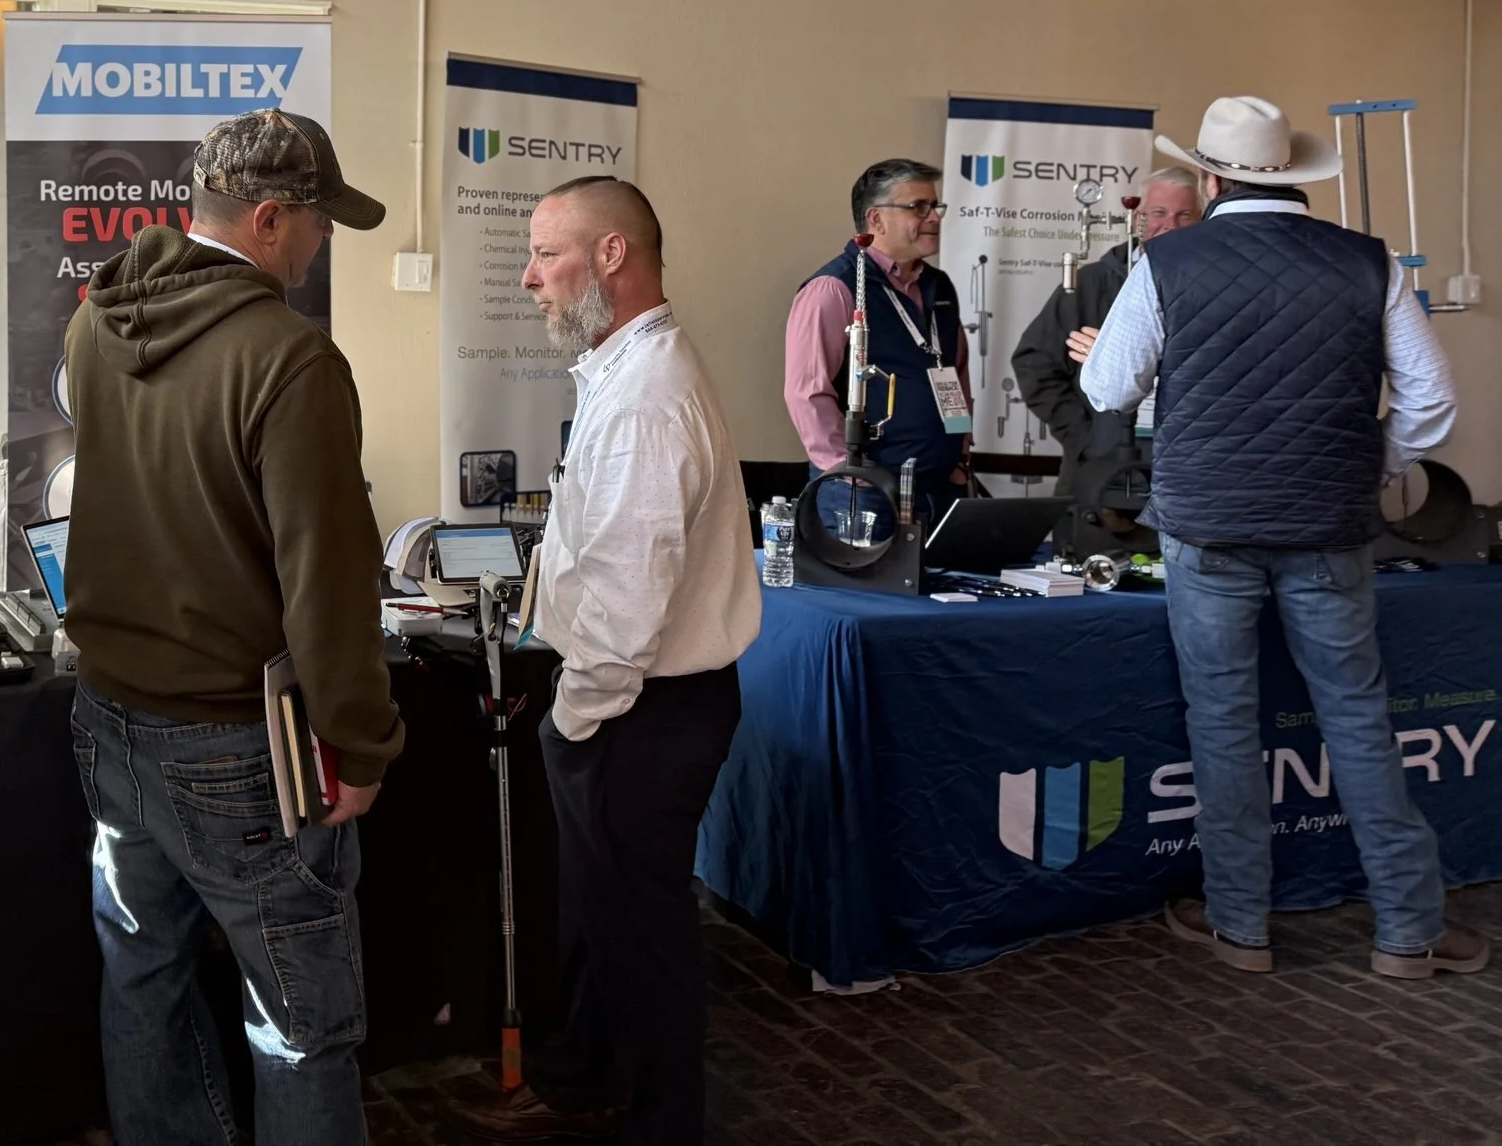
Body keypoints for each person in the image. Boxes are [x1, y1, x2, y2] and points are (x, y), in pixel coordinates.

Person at [1074, 97, 1486, 980]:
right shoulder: (1368, 261)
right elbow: (1433, 399)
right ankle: (1410, 928)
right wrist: (1369, 465)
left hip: (1206, 526)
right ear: (1295, 176)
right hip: (1330, 526)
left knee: (1224, 722)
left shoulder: (1168, 260)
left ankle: (1240, 926)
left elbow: (1108, 389)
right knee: (1359, 717)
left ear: (1211, 178)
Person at [62, 108, 403, 1146]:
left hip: (107, 717)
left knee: (143, 980)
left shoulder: (95, 323)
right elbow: (327, 578)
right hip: (238, 741)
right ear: (267, 218)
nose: (323, 240)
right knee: (299, 1017)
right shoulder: (291, 358)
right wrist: (359, 742)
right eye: (319, 219)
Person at [465, 177, 761, 1144]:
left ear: (611, 256)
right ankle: (581, 1078)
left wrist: (573, 718)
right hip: (637, 701)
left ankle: (662, 1123)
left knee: (643, 936)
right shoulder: (626, 370)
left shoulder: (644, 400)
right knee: (600, 918)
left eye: (546, 252)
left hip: (638, 708)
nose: (529, 276)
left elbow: (628, 608)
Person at [782, 158, 970, 524]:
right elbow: (806, 393)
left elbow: (956, 376)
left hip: (940, 489)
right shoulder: (833, 288)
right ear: (876, 219)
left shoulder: (939, 286)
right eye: (919, 207)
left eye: (936, 206)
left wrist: (959, 457)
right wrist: (848, 473)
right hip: (865, 495)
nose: (934, 217)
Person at [1012, 166, 1201, 491]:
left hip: (1183, 476)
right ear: (1137, 217)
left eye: (1184, 215)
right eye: (1158, 213)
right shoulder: (1090, 283)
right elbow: (1035, 363)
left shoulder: (1215, 288)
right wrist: (1086, 438)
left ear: (1203, 220)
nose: (1170, 225)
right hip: (1096, 477)